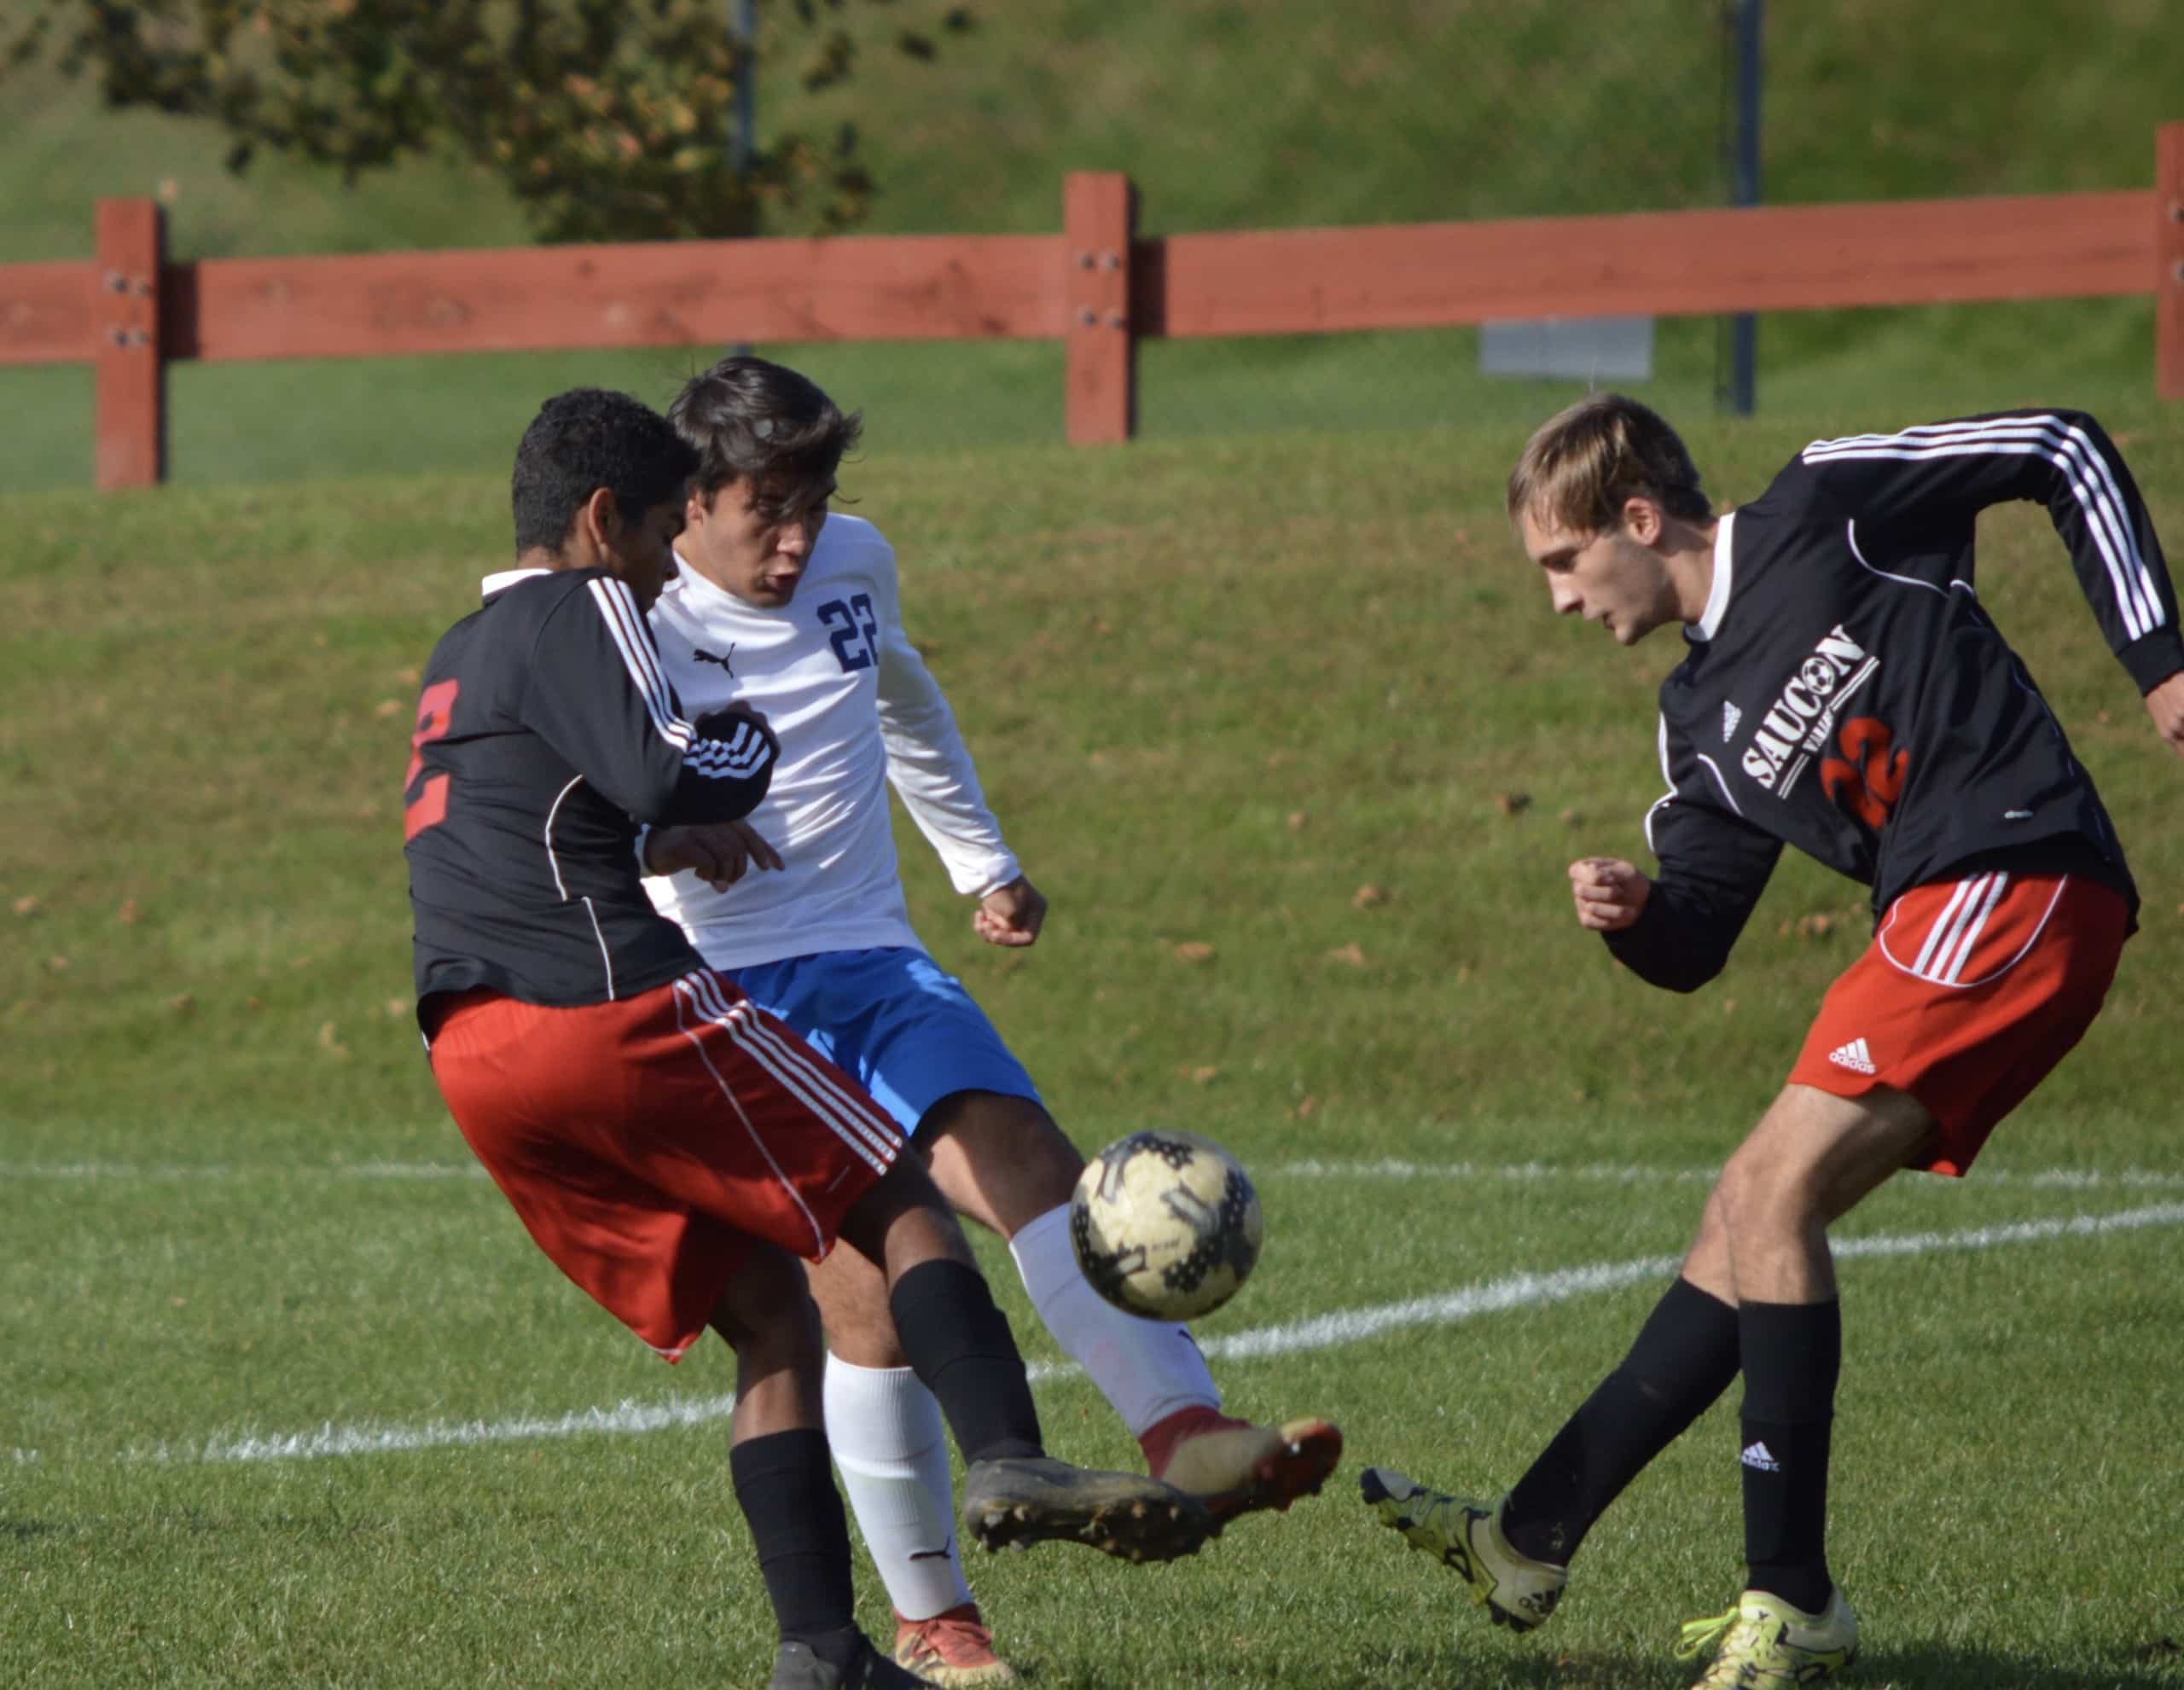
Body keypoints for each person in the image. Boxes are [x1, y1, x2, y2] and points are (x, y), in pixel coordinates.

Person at [1362, 395, 2184, 1687]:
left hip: (2016, 870)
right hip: (1938, 911)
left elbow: (2060, 446)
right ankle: (1529, 1536)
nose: (1562, 604)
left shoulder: (1823, 506)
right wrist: (1637, 918)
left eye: (1563, 564)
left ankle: (1792, 1598)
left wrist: (2161, 662)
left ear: (1638, 517)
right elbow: (1695, 944)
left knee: (1769, 1189)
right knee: (1736, 1223)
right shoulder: (1696, 721)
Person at [404, 387, 1217, 1690]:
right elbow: (677, 764)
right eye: (670, 524)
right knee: (892, 1198)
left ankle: (825, 1655)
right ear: (612, 519)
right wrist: (740, 756)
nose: (677, 554)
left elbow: (542, 814)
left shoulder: (462, 644)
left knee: (771, 1313)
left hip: (468, 1047)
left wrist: (663, 832)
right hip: (608, 1004)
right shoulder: (601, 600)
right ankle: (1008, 1448)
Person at [635, 356, 1342, 1687]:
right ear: (696, 495)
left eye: (817, 500)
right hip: (734, 999)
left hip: (877, 958)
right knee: (868, 1313)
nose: (798, 536)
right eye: (768, 507)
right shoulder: (639, 618)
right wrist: (670, 833)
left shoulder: (855, 561)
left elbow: (903, 694)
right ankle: (938, 1621)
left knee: (1028, 1158)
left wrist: (982, 862)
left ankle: (1181, 1426)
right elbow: (587, 803)